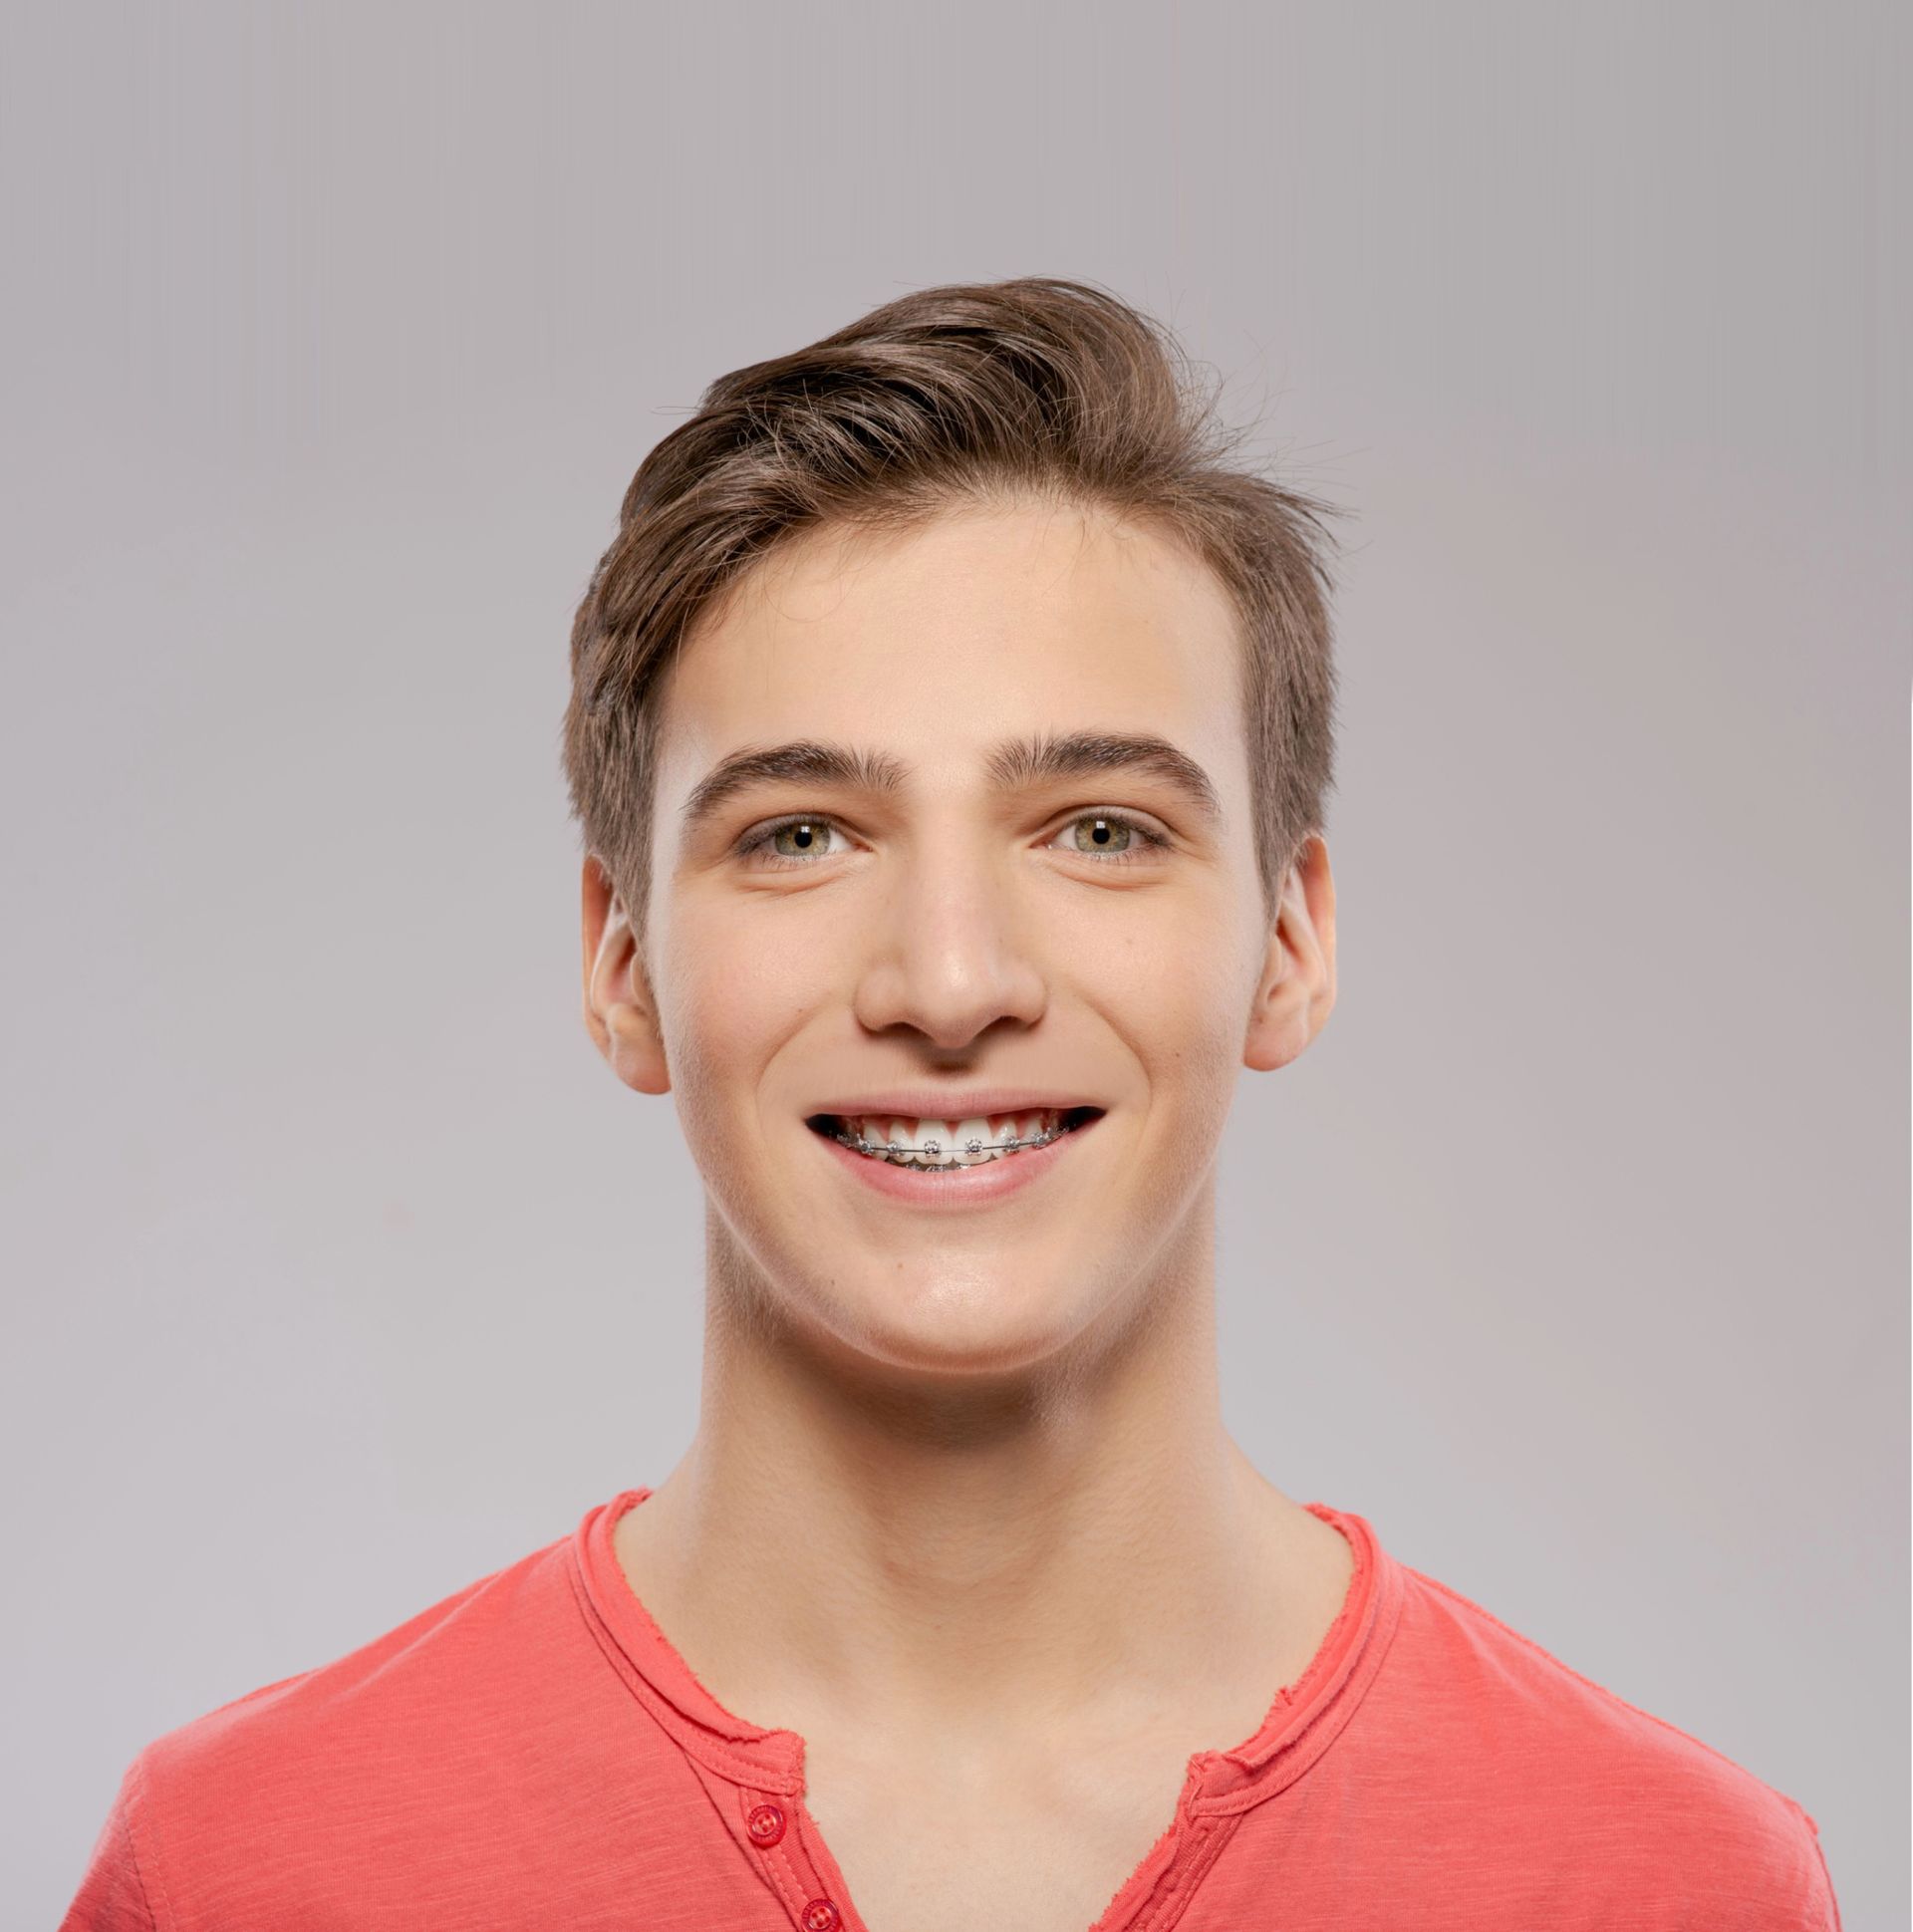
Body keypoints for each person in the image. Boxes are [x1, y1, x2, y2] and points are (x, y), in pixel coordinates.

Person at [63, 277, 1840, 1931]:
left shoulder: (1673, 1882)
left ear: (1290, 941)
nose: (950, 979)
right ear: (623, 964)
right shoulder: (247, 1866)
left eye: (1099, 830)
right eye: (801, 835)